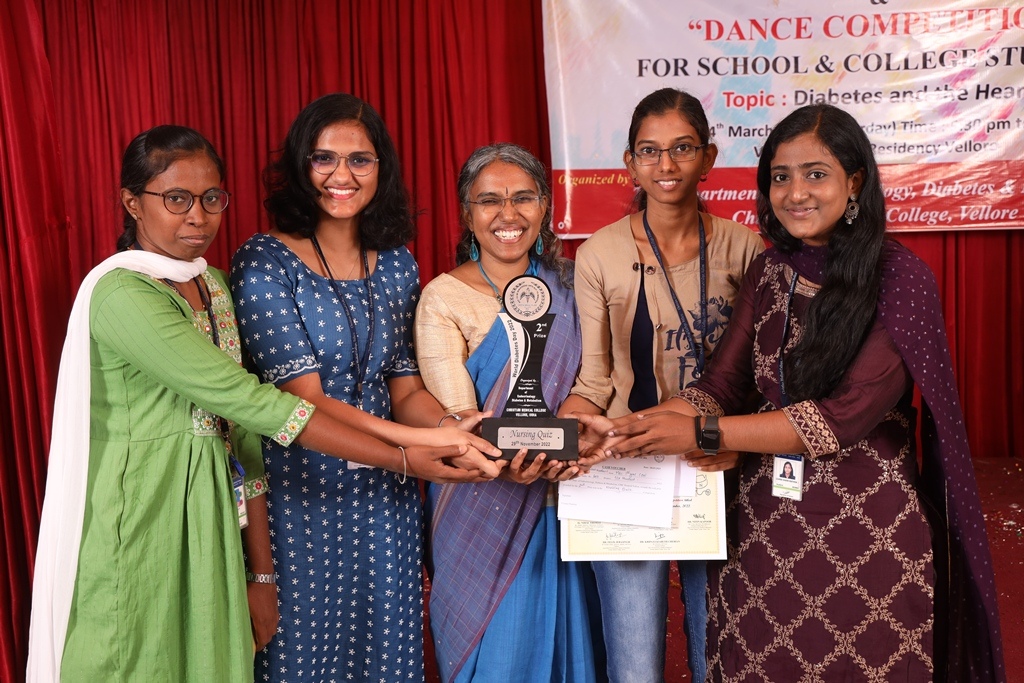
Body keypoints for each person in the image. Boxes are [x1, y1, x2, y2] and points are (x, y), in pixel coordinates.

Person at [26, 125, 497, 682]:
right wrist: (406, 455)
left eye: (211, 198)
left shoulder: (214, 286)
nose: (197, 216)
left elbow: (243, 440)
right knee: (137, 656)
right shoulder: (123, 293)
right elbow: (257, 405)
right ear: (133, 203)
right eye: (176, 199)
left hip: (215, 513)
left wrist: (262, 575)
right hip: (147, 511)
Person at [585, 104, 1005, 681]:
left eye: (816, 174)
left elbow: (840, 418)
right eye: (780, 176)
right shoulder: (770, 271)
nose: (795, 193)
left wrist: (702, 433)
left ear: (854, 181)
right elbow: (720, 385)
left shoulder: (900, 278)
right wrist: (626, 431)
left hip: (867, 535)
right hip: (763, 531)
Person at [230, 93, 499, 682]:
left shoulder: (397, 262)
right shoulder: (264, 261)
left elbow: (404, 385)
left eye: (360, 159)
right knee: (302, 660)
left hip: (386, 501)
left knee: (386, 656)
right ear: (300, 165)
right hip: (301, 496)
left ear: (382, 168)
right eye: (324, 158)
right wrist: (414, 450)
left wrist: (452, 428)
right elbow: (305, 401)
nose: (342, 175)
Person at [558, 88, 764, 682]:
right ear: (630, 162)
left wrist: (736, 443)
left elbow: (760, 373)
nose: (666, 164)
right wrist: (567, 431)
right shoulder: (599, 253)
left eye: (682, 148)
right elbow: (594, 378)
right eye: (649, 151)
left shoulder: (744, 248)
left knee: (720, 649)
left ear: (709, 157)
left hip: (716, 461)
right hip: (627, 461)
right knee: (634, 662)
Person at [414, 143, 605, 682]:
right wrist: (503, 459)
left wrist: (569, 439)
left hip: (565, 496)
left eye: (523, 197)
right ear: (467, 212)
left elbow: (596, 380)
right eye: (489, 200)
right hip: (478, 499)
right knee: (494, 653)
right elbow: (459, 416)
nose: (508, 214)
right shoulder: (443, 297)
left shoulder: (575, 287)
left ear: (544, 206)